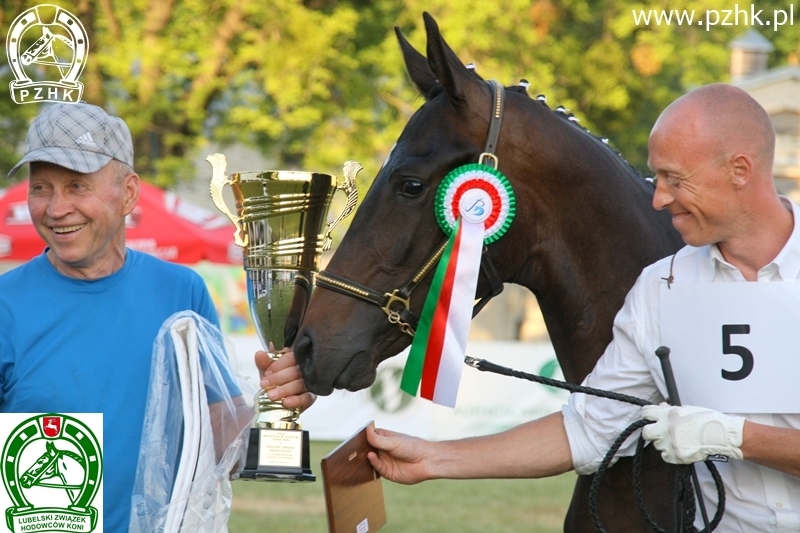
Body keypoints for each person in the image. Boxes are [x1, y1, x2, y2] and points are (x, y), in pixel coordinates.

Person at [366, 83, 800, 531]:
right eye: (658, 178)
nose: (659, 198)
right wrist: (434, 458)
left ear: (740, 170)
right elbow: (589, 429)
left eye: (676, 179)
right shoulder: (660, 287)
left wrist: (733, 437)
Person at [0, 102, 314, 532]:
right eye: (41, 188)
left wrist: (277, 402)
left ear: (128, 192)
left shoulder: (181, 292)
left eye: (77, 186)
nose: (55, 209)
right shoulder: (5, 305)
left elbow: (222, 441)